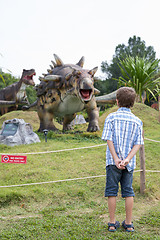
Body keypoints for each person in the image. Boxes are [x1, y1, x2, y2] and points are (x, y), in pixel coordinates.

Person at [101, 87, 144, 232]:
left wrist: (116, 158)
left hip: (112, 162)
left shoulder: (111, 117)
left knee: (112, 191)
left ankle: (112, 223)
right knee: (128, 191)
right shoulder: (137, 121)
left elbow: (108, 139)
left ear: (117, 101)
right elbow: (138, 143)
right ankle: (129, 223)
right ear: (133, 103)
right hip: (129, 163)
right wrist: (126, 159)